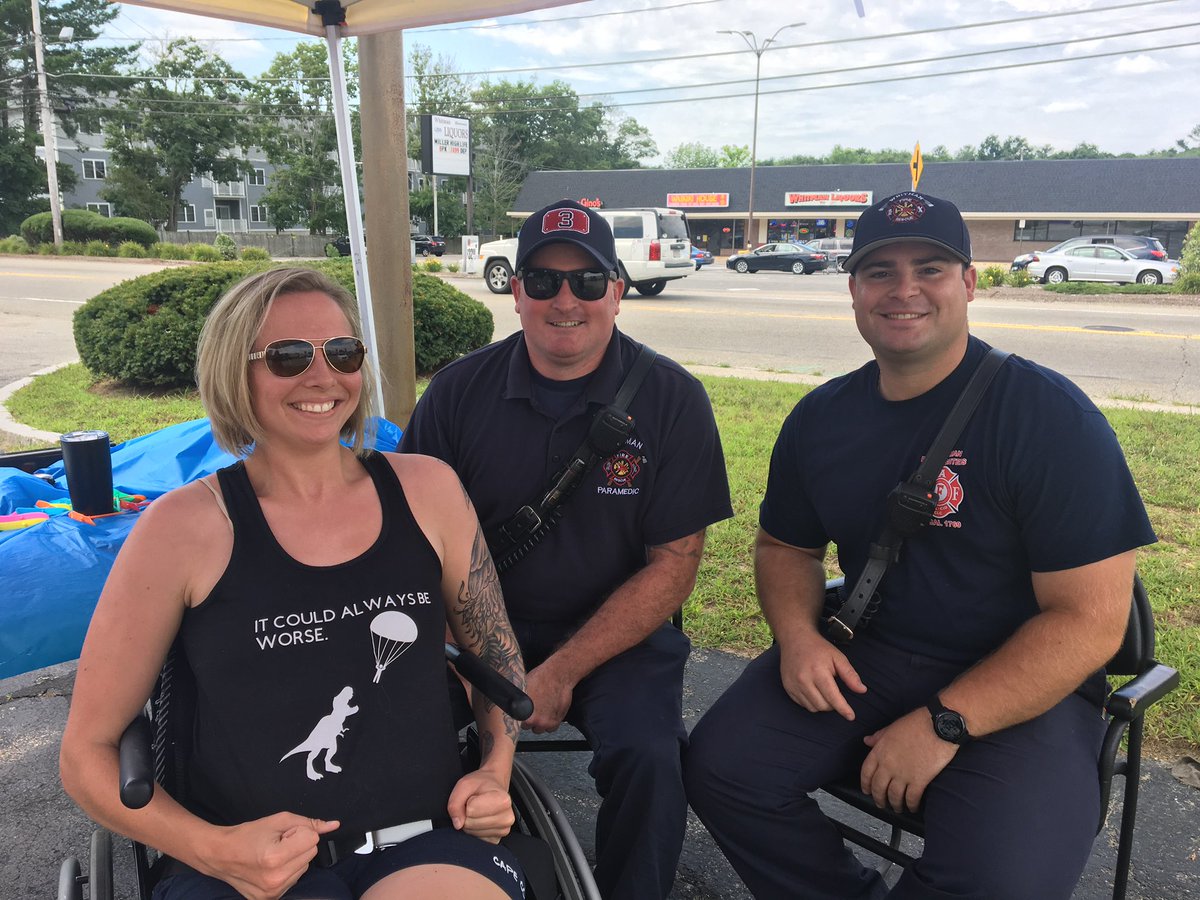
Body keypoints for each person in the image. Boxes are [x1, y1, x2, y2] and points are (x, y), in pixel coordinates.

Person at [684, 191, 1157, 899]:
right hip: (871, 654)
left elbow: (1088, 621)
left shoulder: (1048, 417)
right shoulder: (821, 418)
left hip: (1027, 684)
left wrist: (945, 723)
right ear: (853, 291)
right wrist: (799, 638)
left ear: (968, 283)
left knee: (1003, 880)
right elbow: (785, 548)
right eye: (880, 271)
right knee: (721, 769)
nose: (904, 290)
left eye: (930, 268)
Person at [60, 267, 528, 900]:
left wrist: (496, 770)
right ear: (235, 371)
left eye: (342, 352)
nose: (322, 376)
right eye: (286, 357)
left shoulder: (430, 491)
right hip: (236, 861)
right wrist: (216, 851)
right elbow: (86, 753)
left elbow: (495, 659)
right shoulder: (183, 529)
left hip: (424, 838)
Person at [400, 199, 733, 899]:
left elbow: (674, 566)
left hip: (617, 637)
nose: (565, 300)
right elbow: (414, 548)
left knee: (650, 758)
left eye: (587, 282)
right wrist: (469, 658)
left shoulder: (674, 400)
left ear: (617, 289)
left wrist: (557, 672)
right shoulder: (458, 393)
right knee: (400, 736)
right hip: (477, 626)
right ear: (515, 290)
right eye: (544, 281)